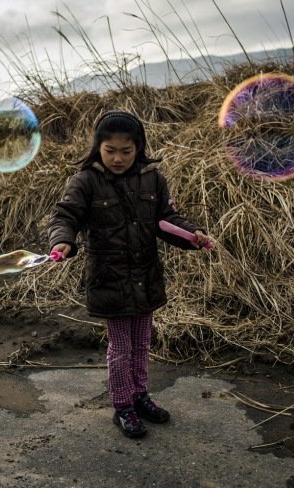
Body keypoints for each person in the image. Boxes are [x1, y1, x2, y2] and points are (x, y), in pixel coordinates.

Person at [48, 110, 212, 438]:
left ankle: (140, 396)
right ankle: (122, 405)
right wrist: (63, 241)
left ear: (139, 147)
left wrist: (193, 235)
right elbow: (65, 216)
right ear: (99, 148)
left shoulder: (153, 180)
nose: (119, 158)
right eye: (111, 151)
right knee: (120, 346)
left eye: (127, 150)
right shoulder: (86, 181)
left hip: (146, 277)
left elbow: (167, 221)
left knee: (141, 343)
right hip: (110, 279)